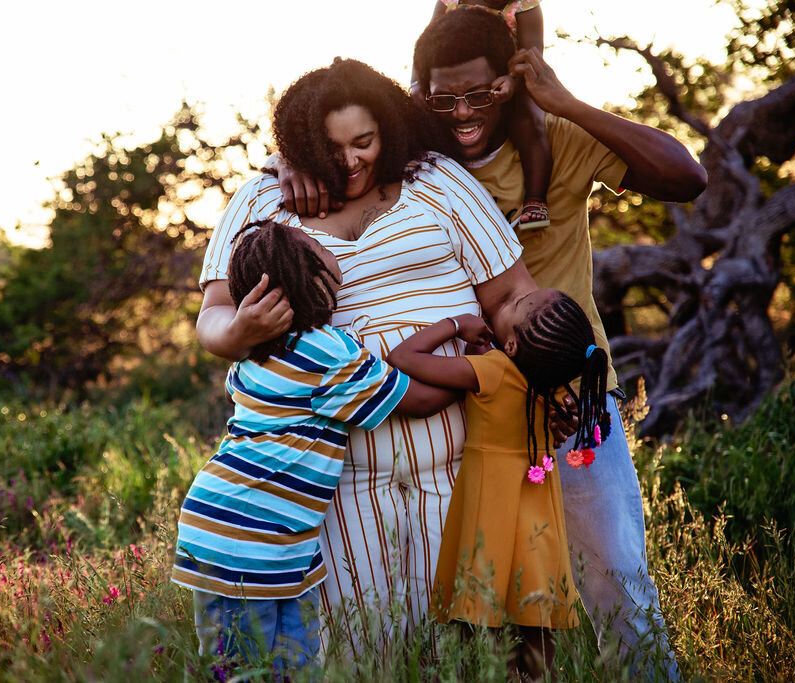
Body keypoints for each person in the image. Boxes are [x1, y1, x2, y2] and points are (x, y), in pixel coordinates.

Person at [279, 7, 707, 678]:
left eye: (480, 93)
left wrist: (561, 99)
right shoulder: (419, 155)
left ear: (512, 79)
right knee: (497, 598)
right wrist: (289, 156)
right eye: (441, 97)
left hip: (567, 388)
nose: (462, 112)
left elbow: (686, 178)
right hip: (478, 406)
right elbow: (341, 131)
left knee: (613, 569)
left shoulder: (558, 139)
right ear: (415, 92)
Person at [195, 58, 536, 651]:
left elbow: (511, 295)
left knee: (463, 651)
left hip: (458, 473)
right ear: (299, 144)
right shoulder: (262, 199)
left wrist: (532, 371)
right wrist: (242, 329)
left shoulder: (438, 181)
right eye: (330, 147)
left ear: (388, 131)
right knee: (362, 652)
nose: (350, 161)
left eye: (364, 142)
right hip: (332, 494)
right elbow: (213, 319)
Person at [172, 219, 461, 672]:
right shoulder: (324, 352)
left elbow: (381, 370)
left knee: (278, 667)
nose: (328, 247)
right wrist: (480, 371)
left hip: (244, 530)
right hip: (252, 538)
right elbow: (420, 400)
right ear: (305, 278)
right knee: (260, 670)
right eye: (314, 246)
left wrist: (450, 324)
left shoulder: (260, 351)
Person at [386, 289, 612, 679]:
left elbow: (401, 358)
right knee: (537, 649)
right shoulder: (556, 388)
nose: (507, 304)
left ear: (510, 343)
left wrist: (454, 325)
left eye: (513, 307)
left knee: (489, 642)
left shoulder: (491, 371)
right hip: (540, 528)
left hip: (491, 519)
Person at [428, 0, 553, 229]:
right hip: (453, 84)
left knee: (531, 122)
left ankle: (535, 199)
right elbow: (427, 44)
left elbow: (532, 55)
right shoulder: (448, 2)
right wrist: (418, 85)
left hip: (512, 79)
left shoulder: (525, 7)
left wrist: (512, 81)